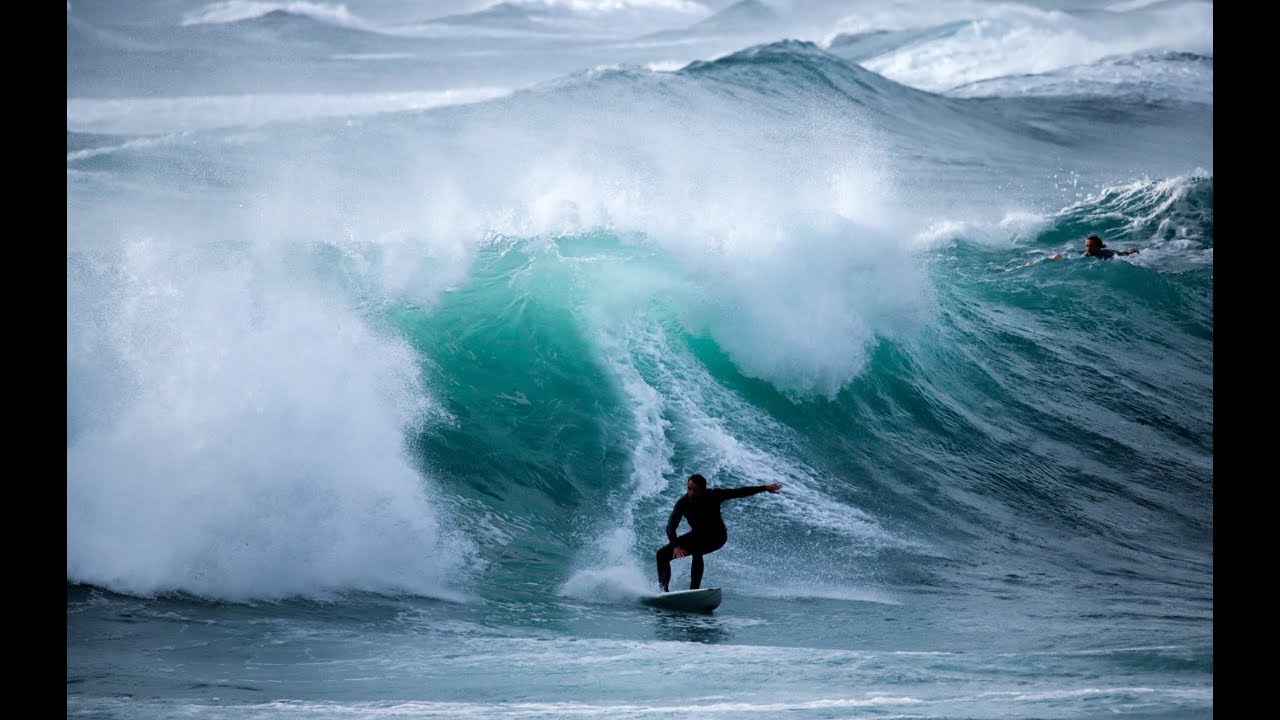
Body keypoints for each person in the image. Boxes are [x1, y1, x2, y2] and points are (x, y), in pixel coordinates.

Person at [655, 473, 783, 593]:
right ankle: (664, 592)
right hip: (697, 535)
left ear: (703, 490)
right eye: (689, 489)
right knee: (661, 555)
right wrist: (676, 545)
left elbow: (739, 492)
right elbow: (670, 527)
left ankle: (693, 592)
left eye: (696, 490)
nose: (691, 493)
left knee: (697, 550)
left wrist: (765, 488)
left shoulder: (714, 495)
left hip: (717, 537)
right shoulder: (682, 503)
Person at [1050, 234, 1139, 260]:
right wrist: (1059, 257)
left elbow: (1120, 253)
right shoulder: (1085, 255)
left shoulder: (1107, 253)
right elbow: (1072, 257)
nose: (1088, 248)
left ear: (1098, 247)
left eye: (1091, 246)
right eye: (1086, 246)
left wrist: (1128, 251)